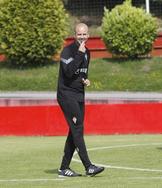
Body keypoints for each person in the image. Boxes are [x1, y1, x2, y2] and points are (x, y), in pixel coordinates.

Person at [57, 23, 104, 177]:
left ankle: (64, 168)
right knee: (78, 129)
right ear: (74, 35)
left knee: (74, 130)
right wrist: (78, 53)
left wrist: (85, 80)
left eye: (84, 34)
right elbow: (69, 72)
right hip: (66, 95)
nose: (82, 37)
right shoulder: (68, 51)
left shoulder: (87, 52)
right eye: (79, 34)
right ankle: (88, 166)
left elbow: (81, 73)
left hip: (79, 95)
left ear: (88, 35)